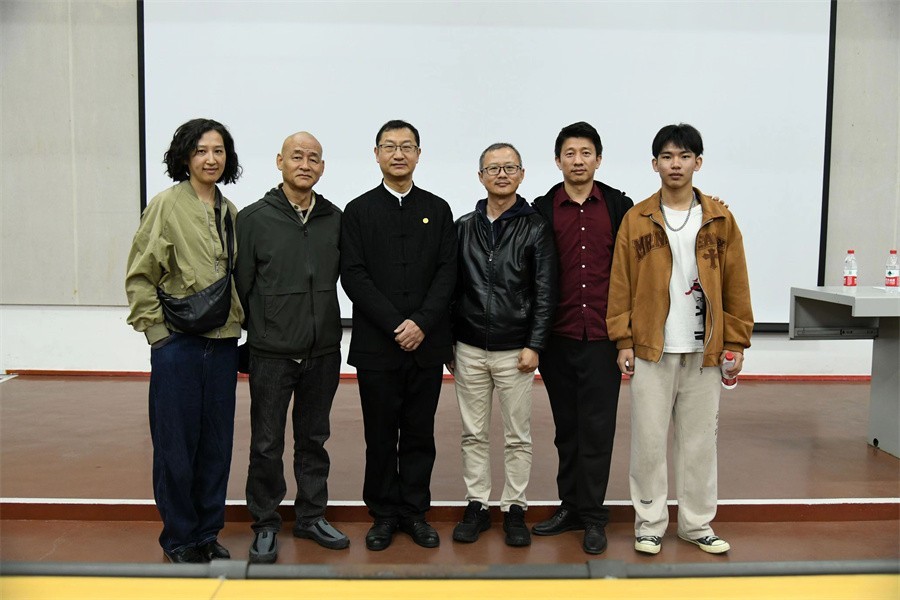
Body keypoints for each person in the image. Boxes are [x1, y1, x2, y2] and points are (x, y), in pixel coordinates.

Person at [607, 123, 753, 556]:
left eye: (684, 156)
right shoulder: (637, 218)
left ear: (698, 162)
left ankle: (696, 524)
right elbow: (620, 283)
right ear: (655, 164)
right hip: (652, 348)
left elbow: (736, 284)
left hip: (705, 351)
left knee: (699, 443)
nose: (676, 164)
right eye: (668, 157)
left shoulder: (720, 219)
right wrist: (623, 339)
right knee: (648, 443)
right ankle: (649, 524)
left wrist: (736, 342)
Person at [125, 118, 243, 563]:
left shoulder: (230, 211)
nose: (211, 159)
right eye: (201, 150)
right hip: (178, 346)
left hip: (223, 343)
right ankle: (178, 537)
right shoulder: (165, 205)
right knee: (175, 445)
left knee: (216, 445)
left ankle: (207, 533)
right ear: (185, 157)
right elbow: (140, 275)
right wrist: (158, 336)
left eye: (218, 150)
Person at [340, 120, 456, 551]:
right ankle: (384, 514)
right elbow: (353, 275)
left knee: (420, 434)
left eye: (407, 146)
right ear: (376, 154)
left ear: (419, 154)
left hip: (426, 345)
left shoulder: (438, 209)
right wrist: (396, 324)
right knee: (380, 436)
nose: (398, 154)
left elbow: (448, 272)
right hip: (378, 347)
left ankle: (414, 512)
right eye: (389, 146)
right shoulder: (358, 211)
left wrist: (421, 322)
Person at [234, 132, 348, 564]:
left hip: (323, 351)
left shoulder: (335, 219)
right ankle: (265, 523)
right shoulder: (253, 218)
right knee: (266, 443)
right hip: (271, 353)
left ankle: (311, 516)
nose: (305, 164)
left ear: (323, 167)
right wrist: (262, 331)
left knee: (314, 439)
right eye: (296, 156)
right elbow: (241, 285)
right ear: (279, 161)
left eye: (313, 158)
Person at [532, 121, 634, 555]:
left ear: (598, 159)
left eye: (586, 153)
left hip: (603, 339)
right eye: (570, 153)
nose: (578, 160)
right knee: (566, 429)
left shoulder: (618, 206)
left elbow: (631, 273)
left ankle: (593, 516)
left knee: (597, 429)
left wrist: (627, 338)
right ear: (558, 160)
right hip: (558, 336)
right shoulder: (541, 208)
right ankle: (569, 507)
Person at [449, 143, 557, 547]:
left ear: (522, 174)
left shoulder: (536, 227)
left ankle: (514, 507)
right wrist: (449, 345)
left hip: (516, 351)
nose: (501, 175)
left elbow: (545, 292)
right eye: (493, 168)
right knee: (473, 434)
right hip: (469, 348)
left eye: (509, 167)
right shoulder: (463, 227)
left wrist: (535, 344)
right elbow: (450, 289)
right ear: (480, 176)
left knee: (517, 436)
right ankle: (477, 504)